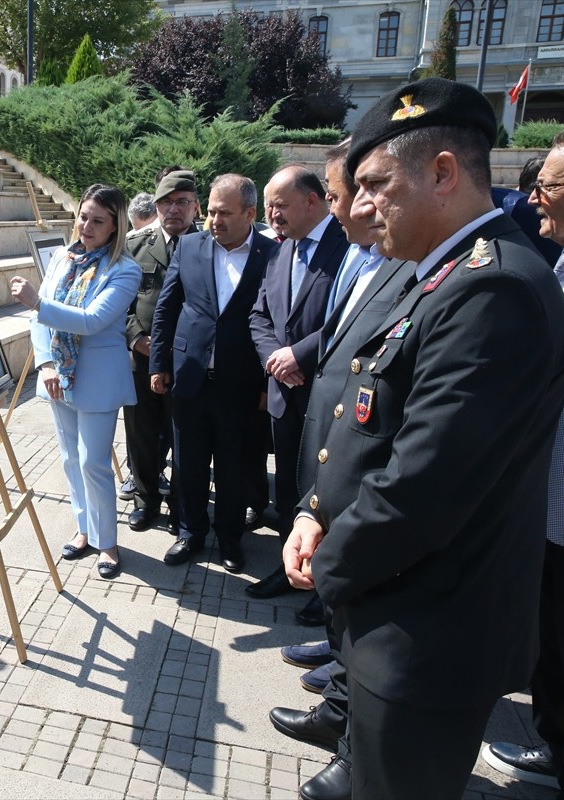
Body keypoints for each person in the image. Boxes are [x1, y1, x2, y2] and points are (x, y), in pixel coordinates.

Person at [282, 77, 564, 800]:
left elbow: (426, 482)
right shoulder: (437, 273)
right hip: (398, 608)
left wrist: (331, 570)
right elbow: (367, 417)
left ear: (443, 173)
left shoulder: (492, 289)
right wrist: (315, 510)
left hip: (430, 630)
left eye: (378, 185)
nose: (364, 203)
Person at [267, 140, 414, 781]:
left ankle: (355, 739)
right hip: (332, 440)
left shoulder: (412, 265)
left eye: (350, 192)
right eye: (339, 193)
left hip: (370, 466)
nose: (346, 206)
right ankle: (339, 693)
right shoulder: (374, 256)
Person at [484, 120, 564, 800]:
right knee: (557, 649)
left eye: (547, 188)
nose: (531, 202)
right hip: (557, 505)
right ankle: (559, 752)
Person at [8, 184, 139, 579]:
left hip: (97, 379)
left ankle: (108, 544)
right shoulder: (64, 259)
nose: (87, 226)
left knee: (93, 462)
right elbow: (39, 323)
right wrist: (45, 363)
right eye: (83, 216)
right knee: (69, 459)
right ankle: (85, 530)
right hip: (58, 377)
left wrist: (37, 302)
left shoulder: (125, 270)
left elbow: (92, 321)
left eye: (98, 220)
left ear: (116, 226)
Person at [150, 174, 278, 571]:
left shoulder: (271, 255)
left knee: (232, 466)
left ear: (251, 214)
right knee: (188, 464)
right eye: (211, 211)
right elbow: (166, 309)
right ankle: (190, 532)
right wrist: (159, 363)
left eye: (225, 213)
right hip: (189, 377)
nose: (214, 220)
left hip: (240, 385)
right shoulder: (189, 247)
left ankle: (229, 539)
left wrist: (265, 384)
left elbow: (276, 320)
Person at [246, 165, 348, 598]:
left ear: (313, 200)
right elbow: (260, 315)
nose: (273, 215)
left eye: (281, 205)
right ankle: (289, 569)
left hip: (329, 393)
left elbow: (355, 317)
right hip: (283, 391)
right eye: (269, 206)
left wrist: (299, 354)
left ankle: (325, 582)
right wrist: (275, 358)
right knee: (287, 483)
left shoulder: (349, 244)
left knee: (327, 491)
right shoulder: (279, 251)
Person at [123, 169, 200, 533]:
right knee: (141, 434)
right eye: (166, 202)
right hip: (140, 360)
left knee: (184, 437)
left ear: (196, 207)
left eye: (182, 202)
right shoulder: (134, 247)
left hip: (188, 363)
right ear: (155, 206)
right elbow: (118, 302)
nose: (174, 210)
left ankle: (179, 507)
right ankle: (145, 500)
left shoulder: (210, 247)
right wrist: (136, 337)